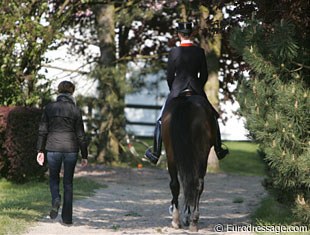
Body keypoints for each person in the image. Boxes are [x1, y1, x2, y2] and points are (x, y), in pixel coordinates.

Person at [144, 22, 229, 164]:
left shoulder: (173, 52)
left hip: (177, 89)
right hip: (196, 89)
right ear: (191, 34)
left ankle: (155, 153)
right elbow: (204, 75)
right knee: (213, 116)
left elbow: (170, 76)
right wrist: (198, 88)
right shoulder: (199, 52)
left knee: (160, 119)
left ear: (178, 34)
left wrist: (174, 89)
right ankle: (219, 150)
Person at [36, 80, 88, 225]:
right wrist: (84, 155)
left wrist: (40, 150)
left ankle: (55, 199)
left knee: (53, 178)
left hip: (52, 147)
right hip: (71, 149)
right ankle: (67, 218)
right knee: (68, 183)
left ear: (59, 91)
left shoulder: (49, 108)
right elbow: (81, 135)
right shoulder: (75, 110)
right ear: (72, 92)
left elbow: (42, 130)